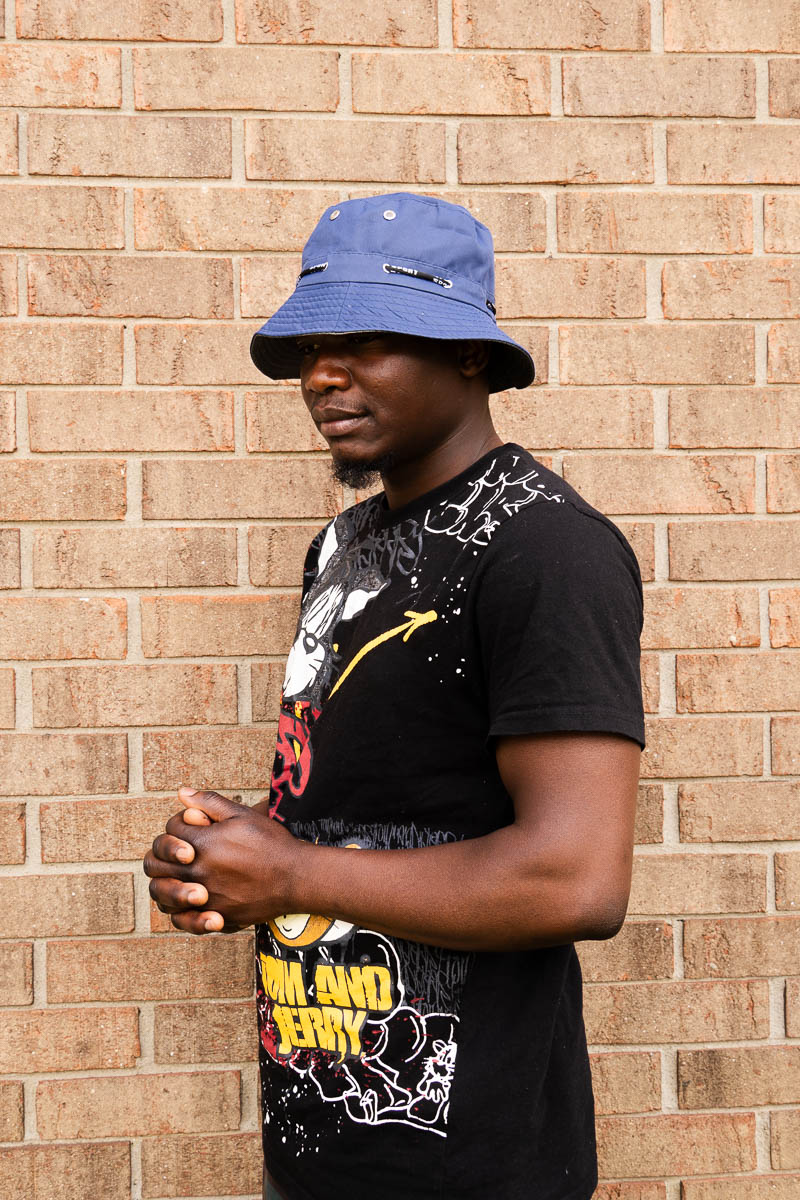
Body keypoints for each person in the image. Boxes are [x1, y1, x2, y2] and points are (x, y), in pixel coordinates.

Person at [145, 192, 644, 1200]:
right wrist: (238, 856)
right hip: (324, 1132)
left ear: (468, 354)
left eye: (368, 340)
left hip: (471, 1161)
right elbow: (358, 821)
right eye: (311, 346)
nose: (324, 373)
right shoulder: (341, 548)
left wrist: (292, 875)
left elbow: (574, 881)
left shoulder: (542, 549)